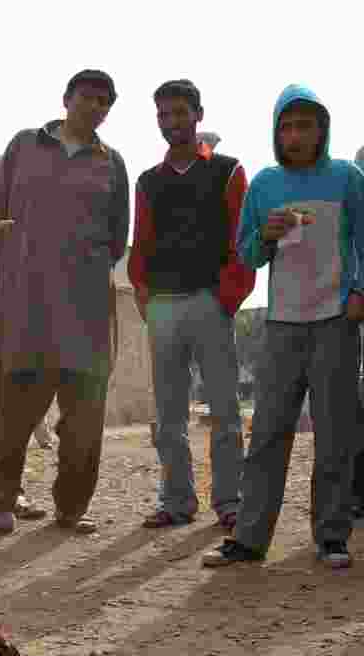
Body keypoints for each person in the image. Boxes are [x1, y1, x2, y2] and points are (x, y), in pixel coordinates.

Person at [203, 84, 364, 568]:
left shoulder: (347, 178)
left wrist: (358, 292)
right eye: (287, 126)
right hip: (281, 323)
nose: (296, 135)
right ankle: (249, 539)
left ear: (323, 130)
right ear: (276, 132)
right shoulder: (265, 184)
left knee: (335, 433)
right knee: (270, 430)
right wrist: (266, 235)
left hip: (336, 320)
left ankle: (332, 536)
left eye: (305, 126)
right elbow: (247, 253)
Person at [0, 69, 129, 537]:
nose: (95, 107)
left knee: (83, 420)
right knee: (14, 415)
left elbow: (117, 238)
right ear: (67, 99)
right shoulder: (23, 146)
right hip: (28, 307)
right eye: (87, 97)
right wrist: (22, 268)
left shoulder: (112, 163)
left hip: (86, 311)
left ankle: (71, 509)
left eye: (104, 101)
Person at [128, 79, 255, 530]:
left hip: (209, 303)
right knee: (169, 415)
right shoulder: (148, 181)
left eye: (180, 112)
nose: (172, 122)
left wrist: (226, 297)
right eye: (164, 114)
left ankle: (231, 501)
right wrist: (142, 293)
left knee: (223, 410)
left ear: (198, 115)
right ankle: (177, 501)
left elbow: (245, 240)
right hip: (162, 305)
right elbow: (140, 242)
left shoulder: (227, 170)